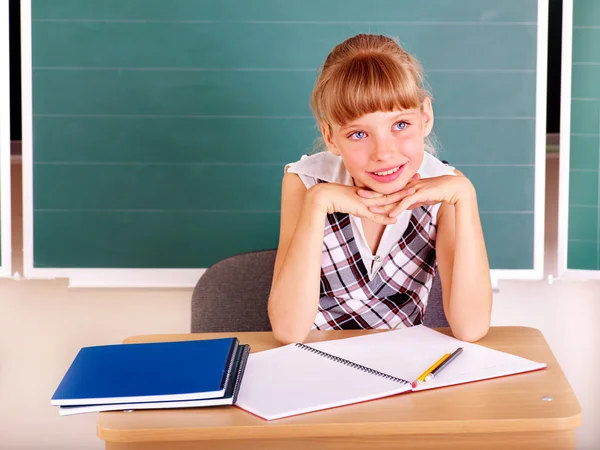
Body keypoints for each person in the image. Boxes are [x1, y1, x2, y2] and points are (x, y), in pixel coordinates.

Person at [268, 34, 492, 344]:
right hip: (317, 365)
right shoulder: (305, 182)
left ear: (425, 117)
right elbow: (289, 332)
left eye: (400, 125)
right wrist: (318, 202)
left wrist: (466, 197)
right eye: (359, 133)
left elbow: (471, 328)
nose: (383, 153)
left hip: (402, 367)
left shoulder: (446, 190)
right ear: (330, 137)